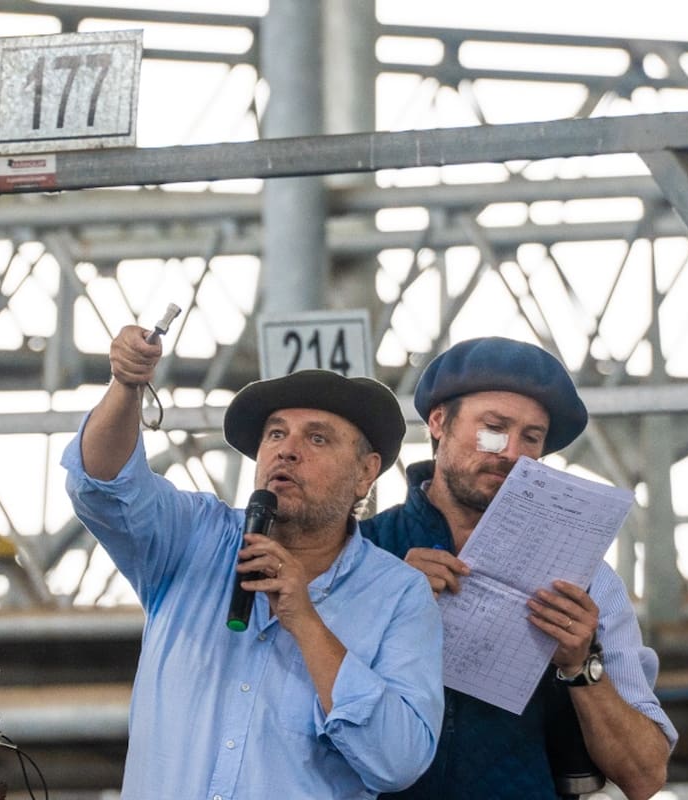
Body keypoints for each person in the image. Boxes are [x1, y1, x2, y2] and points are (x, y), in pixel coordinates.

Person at [61, 325, 445, 799]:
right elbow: (101, 485)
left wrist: (305, 622)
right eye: (275, 433)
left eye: (318, 439)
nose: (286, 449)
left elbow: (399, 761)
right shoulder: (193, 537)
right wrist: (125, 386)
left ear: (366, 473)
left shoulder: (399, 595)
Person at [360, 336, 678, 800]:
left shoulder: (589, 580)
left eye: (531, 437)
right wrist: (381, 605)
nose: (510, 451)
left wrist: (580, 665)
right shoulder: (361, 554)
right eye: (493, 428)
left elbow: (645, 776)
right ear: (438, 422)